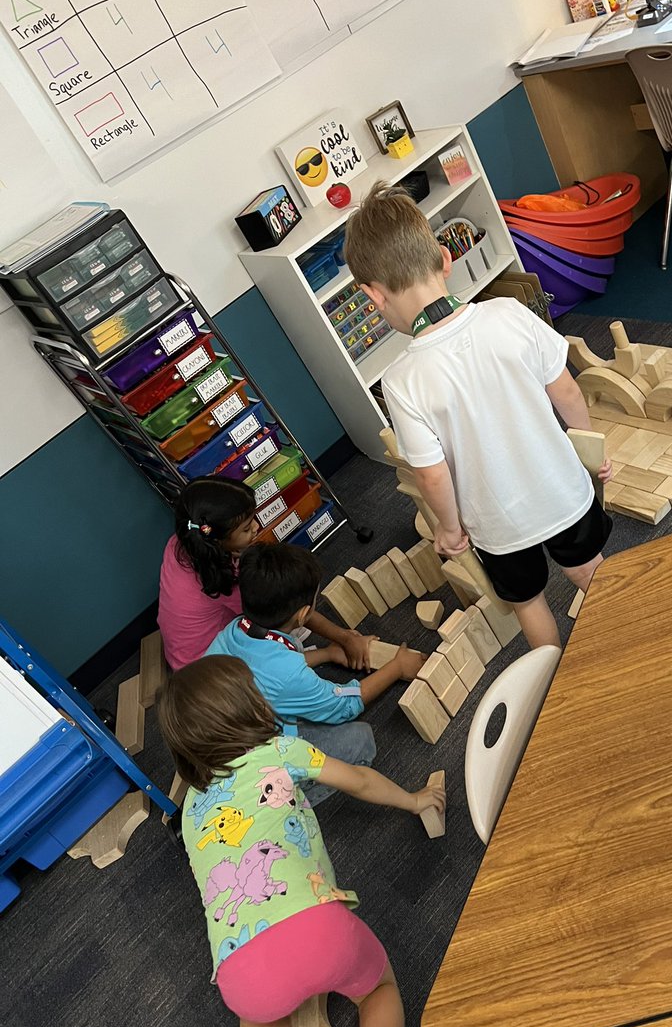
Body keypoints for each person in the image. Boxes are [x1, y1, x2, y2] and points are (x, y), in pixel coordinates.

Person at [343, 184, 614, 649]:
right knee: (592, 572)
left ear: (374, 296)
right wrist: (591, 449)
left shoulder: (402, 379)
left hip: (497, 524)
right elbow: (567, 390)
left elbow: (431, 476)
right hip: (562, 490)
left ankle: (554, 675)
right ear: (446, 259)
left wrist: (449, 529)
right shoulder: (508, 313)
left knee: (529, 604)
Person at [157, 654, 444, 1027]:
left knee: (258, 1024)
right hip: (320, 931)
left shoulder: (190, 811)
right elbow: (361, 780)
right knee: (378, 989)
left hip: (243, 970)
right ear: (252, 707)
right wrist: (414, 800)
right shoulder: (279, 751)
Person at [206, 542, 425, 801]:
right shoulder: (289, 673)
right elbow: (344, 706)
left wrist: (327, 653)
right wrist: (397, 667)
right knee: (361, 740)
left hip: (217, 732)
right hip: (249, 765)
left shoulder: (235, 630)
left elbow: (269, 672)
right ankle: (292, 797)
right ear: (302, 615)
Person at [158, 477, 377, 672]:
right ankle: (326, 654)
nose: (256, 527)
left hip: (186, 652)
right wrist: (344, 638)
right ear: (218, 540)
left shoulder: (186, 540)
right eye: (246, 528)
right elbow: (288, 604)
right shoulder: (222, 578)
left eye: (252, 518)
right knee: (275, 654)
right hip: (206, 672)